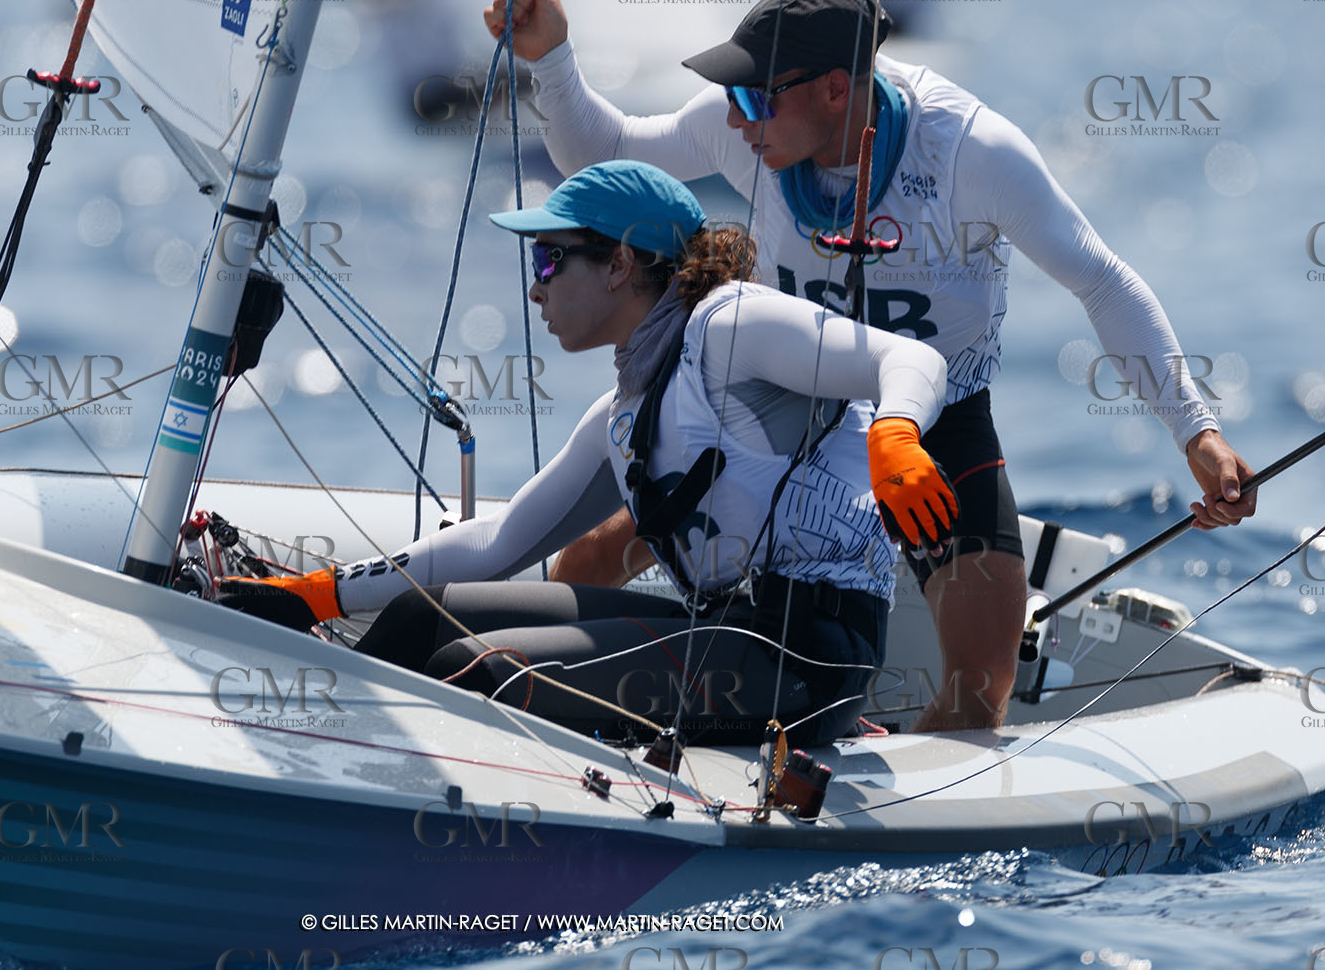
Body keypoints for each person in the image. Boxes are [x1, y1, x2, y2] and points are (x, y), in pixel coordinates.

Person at [482, 0, 1258, 732]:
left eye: (757, 96)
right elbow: (607, 151)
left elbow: (1102, 281)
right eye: (734, 94)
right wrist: (551, 57)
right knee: (593, 555)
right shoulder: (747, 121)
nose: (738, 113)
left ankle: (869, 766)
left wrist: (1197, 432)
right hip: (781, 405)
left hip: (933, 425)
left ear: (833, 89)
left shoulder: (973, 152)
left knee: (982, 684)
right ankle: (558, 721)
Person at [240, 159, 955, 748]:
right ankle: (302, 755)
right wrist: (318, 594)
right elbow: (497, 542)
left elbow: (910, 360)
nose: (535, 287)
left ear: (619, 262)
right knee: (421, 620)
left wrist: (895, 435)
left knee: (479, 669)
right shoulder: (624, 412)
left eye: (549, 258)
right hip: (737, 629)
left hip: (813, 662)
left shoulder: (730, 324)